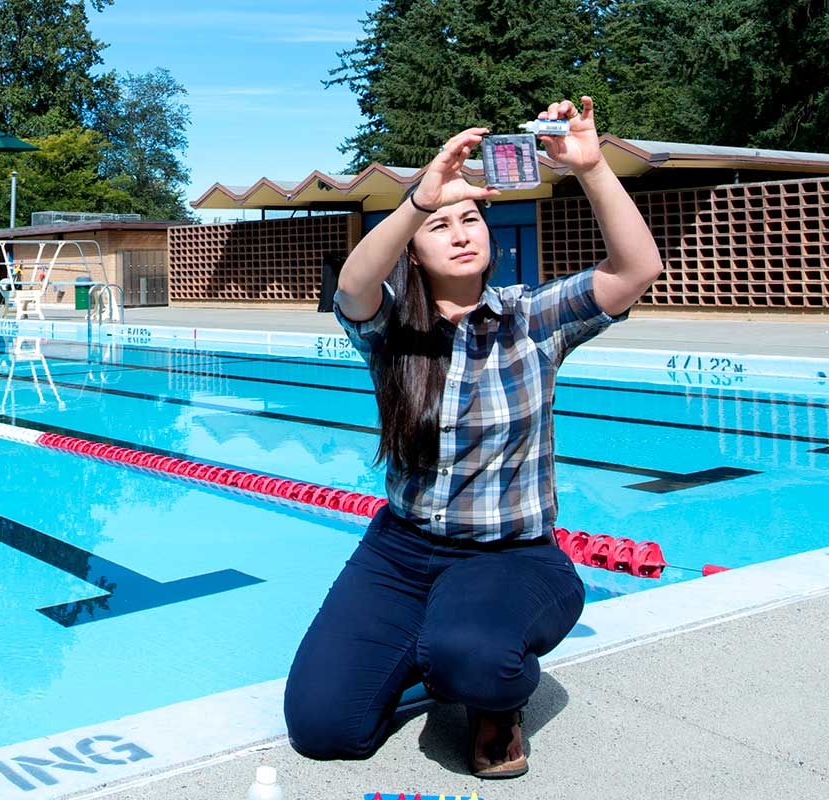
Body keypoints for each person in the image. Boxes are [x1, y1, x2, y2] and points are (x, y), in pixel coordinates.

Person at [283, 97, 663, 779]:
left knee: (474, 660)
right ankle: (437, 649)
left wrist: (591, 167)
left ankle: (493, 696)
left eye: (469, 220)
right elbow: (351, 286)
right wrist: (414, 200)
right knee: (323, 726)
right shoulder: (391, 331)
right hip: (399, 554)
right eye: (438, 226)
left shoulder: (530, 318)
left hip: (507, 556)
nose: (459, 233)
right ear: (414, 251)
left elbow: (633, 270)